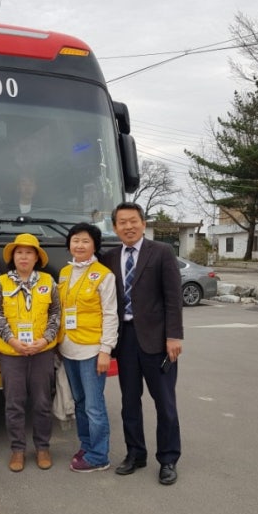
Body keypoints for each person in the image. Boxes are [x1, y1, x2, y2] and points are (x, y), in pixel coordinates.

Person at [101, 202, 183, 485]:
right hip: (125, 340)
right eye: (122, 222)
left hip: (158, 340)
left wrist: (174, 336)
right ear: (115, 228)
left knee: (165, 402)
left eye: (133, 221)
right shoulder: (109, 257)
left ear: (143, 223)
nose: (128, 226)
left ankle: (169, 459)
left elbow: (174, 298)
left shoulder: (161, 252)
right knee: (129, 402)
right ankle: (135, 453)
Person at [0, 233, 60, 472]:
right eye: (19, 252)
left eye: (29, 252)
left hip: (42, 352)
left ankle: (42, 448)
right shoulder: (2, 282)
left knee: (41, 402)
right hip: (12, 353)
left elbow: (56, 314)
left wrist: (44, 340)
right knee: (14, 403)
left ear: (37, 257)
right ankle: (17, 450)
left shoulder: (49, 282)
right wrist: (12, 340)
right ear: (13, 256)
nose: (24, 257)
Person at [57, 223, 118, 473]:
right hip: (68, 348)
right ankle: (87, 445)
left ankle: (99, 455)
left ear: (94, 245)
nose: (79, 245)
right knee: (80, 402)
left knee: (94, 405)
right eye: (75, 240)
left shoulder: (104, 275)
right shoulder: (64, 272)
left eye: (85, 241)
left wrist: (106, 349)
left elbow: (110, 314)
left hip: (92, 350)